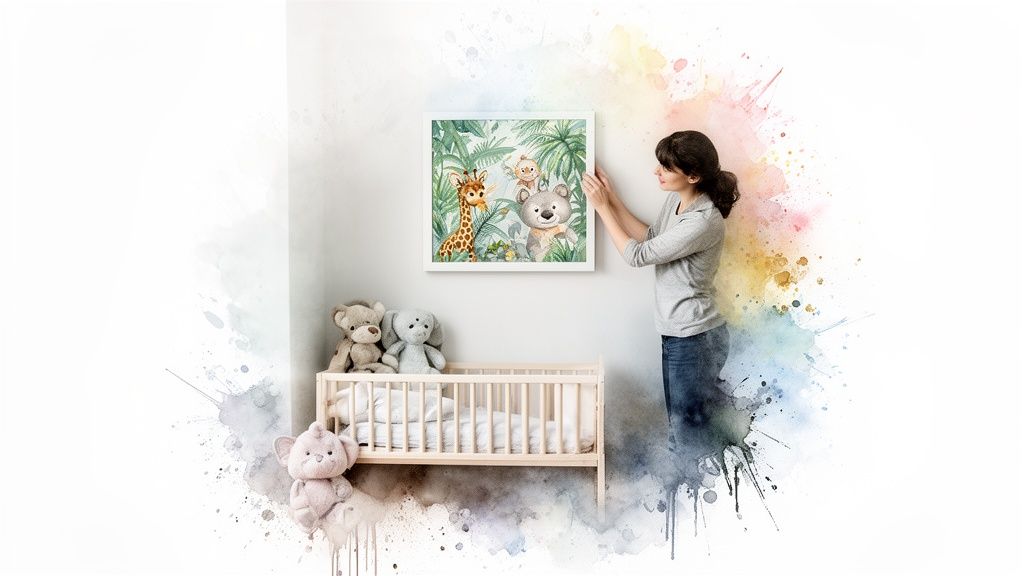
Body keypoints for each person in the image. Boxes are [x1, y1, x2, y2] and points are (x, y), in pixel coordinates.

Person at [582, 130, 740, 479]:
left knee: (689, 436)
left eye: (666, 168)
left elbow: (639, 256)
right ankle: (694, 505)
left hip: (696, 338)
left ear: (693, 176)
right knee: (683, 429)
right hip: (679, 335)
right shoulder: (677, 200)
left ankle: (701, 512)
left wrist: (602, 209)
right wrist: (612, 198)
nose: (657, 172)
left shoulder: (703, 220)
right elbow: (653, 239)